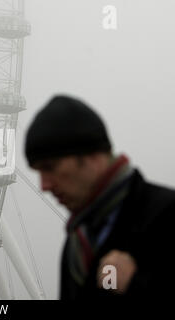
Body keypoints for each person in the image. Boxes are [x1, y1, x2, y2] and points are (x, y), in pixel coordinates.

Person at [24, 94, 175, 299]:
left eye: (50, 167)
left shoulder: (166, 214)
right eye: (38, 172)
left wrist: (135, 285)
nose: (44, 185)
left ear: (92, 156)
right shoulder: (77, 243)